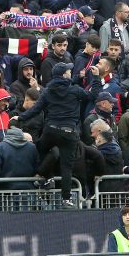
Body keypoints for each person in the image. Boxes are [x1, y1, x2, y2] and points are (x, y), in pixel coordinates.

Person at [17, 63, 92, 208]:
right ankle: (66, 199)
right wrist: (94, 78)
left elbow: (36, 109)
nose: (70, 73)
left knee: (41, 147)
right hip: (69, 132)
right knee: (66, 167)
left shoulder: (48, 91)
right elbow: (92, 95)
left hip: (50, 130)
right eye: (69, 71)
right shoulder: (75, 91)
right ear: (64, 74)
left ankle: (48, 177)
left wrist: (20, 117)